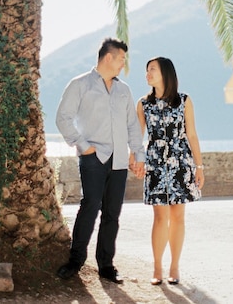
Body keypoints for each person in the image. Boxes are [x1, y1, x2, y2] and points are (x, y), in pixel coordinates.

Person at [56, 37, 145, 284]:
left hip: (118, 161)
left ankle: (106, 265)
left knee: (112, 214)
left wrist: (138, 154)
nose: (123, 65)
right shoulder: (80, 85)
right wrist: (83, 146)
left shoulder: (124, 90)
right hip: (93, 159)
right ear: (108, 57)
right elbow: (63, 118)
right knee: (90, 207)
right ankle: (75, 260)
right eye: (121, 59)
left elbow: (132, 126)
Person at [135, 56, 204, 286]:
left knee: (178, 216)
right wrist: (136, 160)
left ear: (165, 73)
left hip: (180, 162)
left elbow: (192, 135)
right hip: (155, 164)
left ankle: (175, 266)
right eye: (147, 70)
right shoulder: (143, 103)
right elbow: (138, 138)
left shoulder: (184, 101)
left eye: (152, 69)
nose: (147, 74)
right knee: (159, 216)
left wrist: (199, 166)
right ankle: (157, 267)